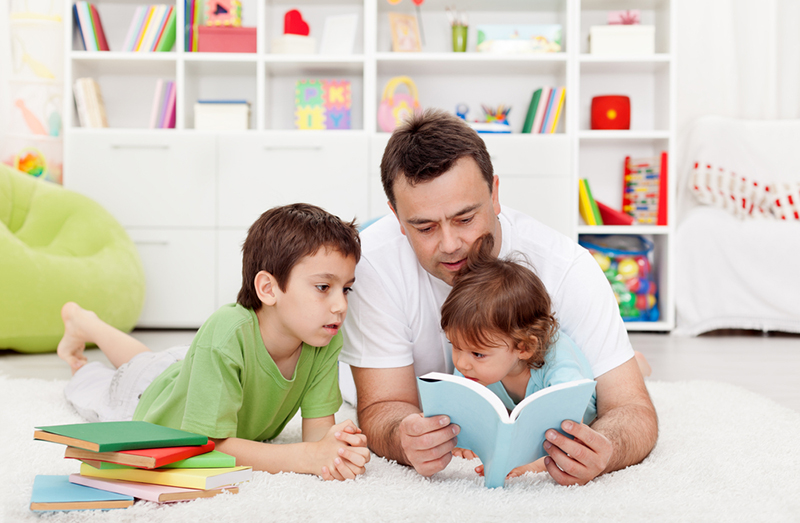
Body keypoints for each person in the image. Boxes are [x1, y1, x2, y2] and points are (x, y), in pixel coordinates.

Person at [340, 109, 658, 486]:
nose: (450, 244)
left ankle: (629, 361)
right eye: (424, 227)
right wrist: (401, 436)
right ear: (395, 215)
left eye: (464, 218)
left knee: (614, 379)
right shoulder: (372, 265)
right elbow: (382, 406)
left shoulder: (565, 268)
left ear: (494, 193)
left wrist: (604, 447)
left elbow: (632, 409)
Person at [57, 203, 370, 481]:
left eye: (346, 289)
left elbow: (317, 442)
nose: (340, 305)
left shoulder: (324, 338)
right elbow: (207, 447)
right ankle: (83, 324)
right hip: (139, 398)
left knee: (149, 361)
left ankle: (86, 322)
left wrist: (336, 448)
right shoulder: (226, 333)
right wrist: (304, 457)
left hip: (183, 372)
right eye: (323, 287)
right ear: (268, 289)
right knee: (109, 379)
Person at [440, 233, 596, 479]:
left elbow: (569, 422)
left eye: (478, 353)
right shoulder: (470, 364)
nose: (461, 363)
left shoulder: (558, 363)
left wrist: (532, 464)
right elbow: (460, 406)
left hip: (582, 401)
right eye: (455, 346)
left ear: (524, 348)